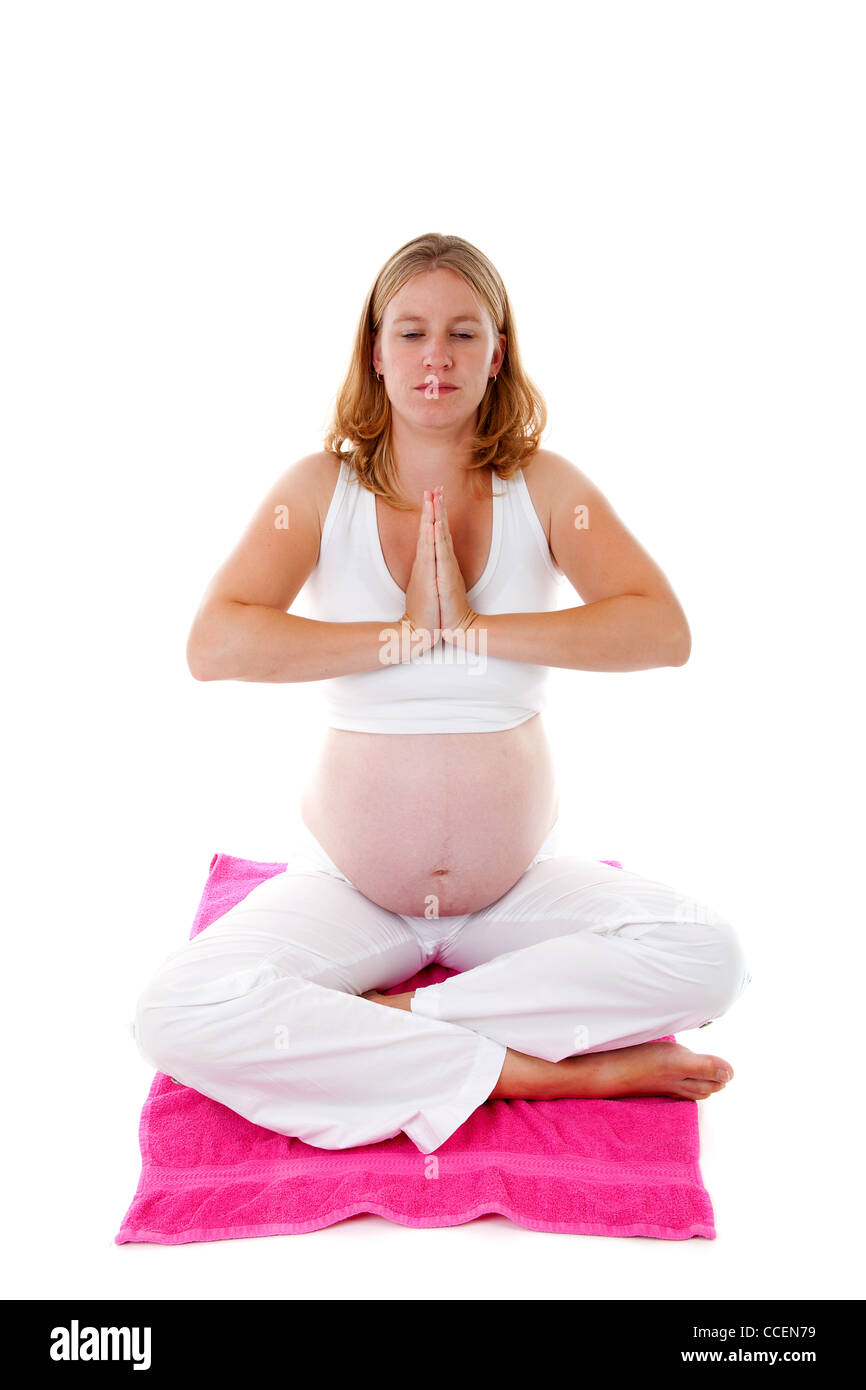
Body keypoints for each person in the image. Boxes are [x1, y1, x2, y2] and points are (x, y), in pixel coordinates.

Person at [132, 232, 750, 1155]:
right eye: (411, 331)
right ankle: (530, 1070)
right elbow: (214, 644)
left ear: (497, 354)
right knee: (173, 1012)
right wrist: (401, 639)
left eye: (464, 333)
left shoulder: (543, 485)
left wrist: (472, 631)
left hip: (511, 894)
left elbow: (662, 631)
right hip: (356, 893)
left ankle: (410, 1017)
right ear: (375, 353)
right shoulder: (319, 488)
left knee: (712, 958)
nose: (437, 356)